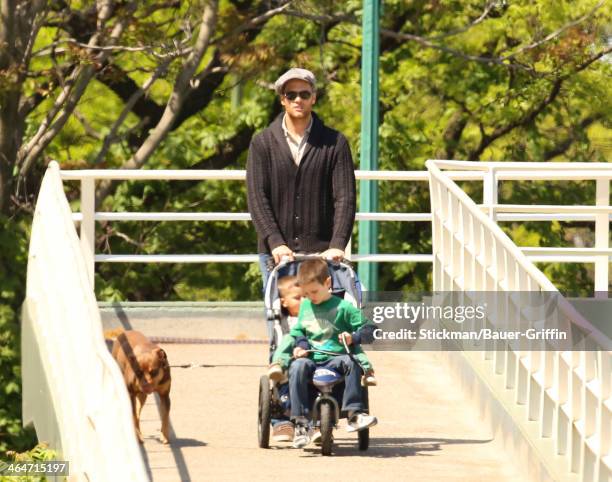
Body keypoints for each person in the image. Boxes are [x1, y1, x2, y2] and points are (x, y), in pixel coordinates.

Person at [246, 67, 356, 291]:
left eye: (304, 94)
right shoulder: (262, 143)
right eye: (291, 95)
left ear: (313, 98)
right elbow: (257, 197)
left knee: (326, 323)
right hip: (277, 257)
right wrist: (275, 243)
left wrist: (337, 244)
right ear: (282, 100)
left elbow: (345, 198)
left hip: (323, 257)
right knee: (280, 321)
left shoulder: (335, 143)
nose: (298, 99)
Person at [273, 258, 378, 449]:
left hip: (336, 359)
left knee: (351, 361)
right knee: (297, 366)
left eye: (314, 291)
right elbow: (300, 331)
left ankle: (355, 414)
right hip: (312, 358)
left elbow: (371, 329)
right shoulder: (306, 306)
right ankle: (301, 422)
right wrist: (300, 345)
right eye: (306, 293)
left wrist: (352, 337)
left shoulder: (343, 308)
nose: (310, 297)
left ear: (327, 283)